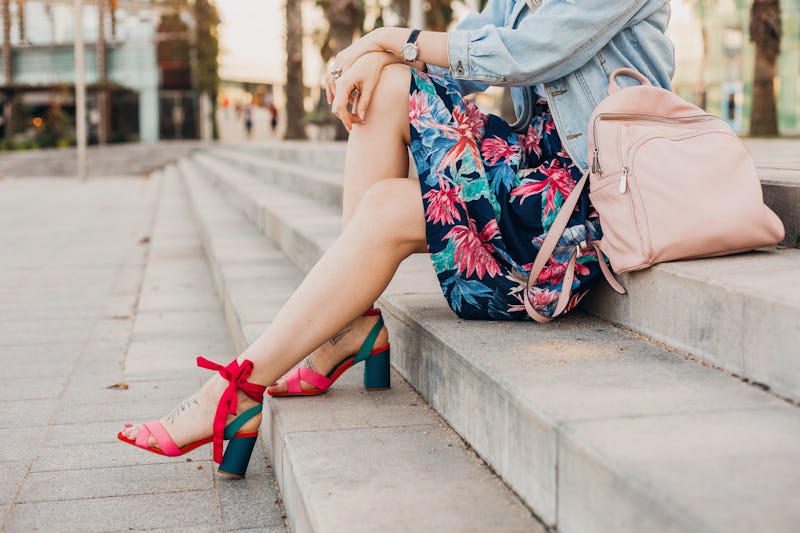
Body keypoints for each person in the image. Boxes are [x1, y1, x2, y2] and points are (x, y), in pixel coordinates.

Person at [118, 0, 674, 478]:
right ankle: (345, 326)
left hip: (584, 209)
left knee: (386, 200)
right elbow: (468, 53)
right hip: (533, 177)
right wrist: (371, 58)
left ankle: (237, 389)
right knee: (387, 83)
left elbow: (523, 53)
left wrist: (385, 38)